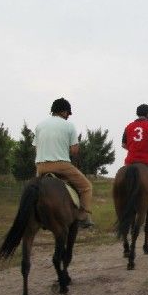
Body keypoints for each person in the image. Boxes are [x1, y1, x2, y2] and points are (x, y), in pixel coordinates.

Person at [34, 98, 94, 228]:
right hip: (61, 165)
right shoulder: (69, 126)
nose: (68, 116)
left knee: (33, 191)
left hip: (40, 166)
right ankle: (83, 217)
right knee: (86, 187)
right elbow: (74, 150)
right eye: (68, 113)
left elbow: (36, 148)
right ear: (64, 112)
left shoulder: (40, 125)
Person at [122, 104, 148, 208]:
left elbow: (123, 145)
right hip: (147, 159)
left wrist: (133, 149)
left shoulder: (128, 127)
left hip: (130, 159)